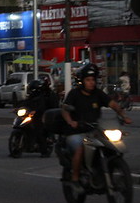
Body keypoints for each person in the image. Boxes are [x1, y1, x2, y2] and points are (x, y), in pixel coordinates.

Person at [61, 63, 132, 192]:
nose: (91, 83)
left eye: (93, 80)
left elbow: (113, 104)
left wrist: (123, 115)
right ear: (82, 81)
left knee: (110, 146)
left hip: (94, 131)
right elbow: (65, 110)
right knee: (80, 148)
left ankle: (104, 171)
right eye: (88, 80)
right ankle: (75, 179)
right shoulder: (74, 94)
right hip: (76, 132)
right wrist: (71, 121)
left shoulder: (98, 94)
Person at [23, 78, 60, 156]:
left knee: (39, 131)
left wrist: (37, 111)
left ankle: (44, 151)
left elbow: (42, 105)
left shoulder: (47, 95)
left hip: (44, 115)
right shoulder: (33, 95)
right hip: (36, 114)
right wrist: (18, 108)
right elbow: (26, 102)